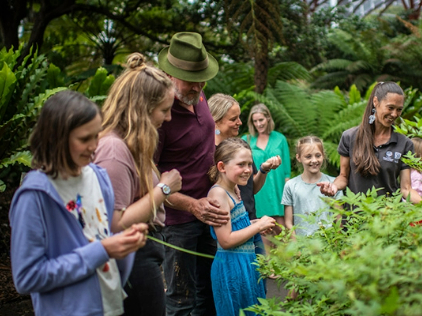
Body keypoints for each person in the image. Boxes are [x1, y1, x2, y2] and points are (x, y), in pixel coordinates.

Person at [9, 90, 149, 315]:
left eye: (97, 136)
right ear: (57, 138)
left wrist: (124, 243)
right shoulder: (34, 196)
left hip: (111, 306)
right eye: (85, 139)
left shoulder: (99, 177)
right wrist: (102, 250)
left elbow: (98, 240)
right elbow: (27, 277)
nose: (94, 146)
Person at [94, 53, 183, 315]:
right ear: (141, 108)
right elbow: (115, 222)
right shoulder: (113, 149)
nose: (168, 119)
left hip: (142, 253)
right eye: (164, 110)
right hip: (132, 259)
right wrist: (164, 189)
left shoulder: (130, 145)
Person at [154, 32, 229, 315]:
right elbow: (149, 179)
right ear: (169, 75)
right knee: (181, 300)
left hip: (210, 208)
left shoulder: (198, 93)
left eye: (202, 77)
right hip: (178, 221)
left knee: (209, 291)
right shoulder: (160, 114)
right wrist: (192, 205)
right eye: (191, 78)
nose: (198, 85)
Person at [318, 81, 422, 204]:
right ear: (375, 102)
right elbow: (343, 176)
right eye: (390, 108)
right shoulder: (350, 137)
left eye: (399, 109)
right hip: (355, 217)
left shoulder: (404, 143)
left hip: (389, 218)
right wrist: (334, 186)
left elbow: (406, 189)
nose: (394, 114)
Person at [207, 138, 277, 316]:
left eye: (250, 164)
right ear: (222, 167)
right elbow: (226, 240)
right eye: (241, 165)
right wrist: (258, 225)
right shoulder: (218, 194)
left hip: (245, 264)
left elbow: (236, 226)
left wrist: (255, 225)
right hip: (231, 267)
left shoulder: (234, 190)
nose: (248, 170)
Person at [208, 93, 282, 221]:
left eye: (239, 117)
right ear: (216, 121)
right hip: (229, 225)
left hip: (250, 219)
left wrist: (264, 170)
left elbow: (250, 189)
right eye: (233, 119)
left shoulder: (241, 147)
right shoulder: (207, 152)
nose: (240, 122)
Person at [242, 104, 291, 265]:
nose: (259, 124)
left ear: (268, 118)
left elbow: (286, 171)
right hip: (259, 186)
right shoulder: (247, 140)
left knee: (280, 225)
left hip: (276, 186)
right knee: (263, 224)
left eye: (261, 120)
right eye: (255, 121)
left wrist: (287, 191)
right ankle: (268, 262)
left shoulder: (280, 138)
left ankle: (283, 262)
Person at [282, 136, 343, 238]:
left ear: (323, 156)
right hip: (302, 246)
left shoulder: (333, 184)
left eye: (318, 155)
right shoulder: (291, 186)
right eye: (308, 156)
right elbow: (288, 223)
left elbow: (338, 219)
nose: (314, 160)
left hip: (328, 245)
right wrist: (296, 247)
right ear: (299, 158)